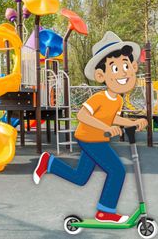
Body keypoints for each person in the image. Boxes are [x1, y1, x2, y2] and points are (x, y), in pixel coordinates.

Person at [33, 31, 148, 223]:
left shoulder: (118, 101)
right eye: (115, 67)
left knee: (80, 177)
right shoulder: (98, 98)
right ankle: (105, 211)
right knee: (117, 171)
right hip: (89, 139)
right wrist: (105, 127)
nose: (123, 72)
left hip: (96, 139)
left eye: (126, 65)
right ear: (101, 75)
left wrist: (133, 122)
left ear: (133, 67)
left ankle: (49, 163)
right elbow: (82, 115)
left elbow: (115, 119)